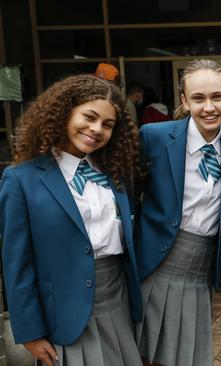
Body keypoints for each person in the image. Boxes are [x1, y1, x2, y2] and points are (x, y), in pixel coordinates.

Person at [0, 74, 142, 366]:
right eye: (89, 117)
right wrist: (30, 332)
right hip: (63, 312)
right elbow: (16, 264)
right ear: (65, 112)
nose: (96, 129)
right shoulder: (21, 179)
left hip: (118, 301)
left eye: (107, 124)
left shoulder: (115, 174)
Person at [135, 59, 221, 366]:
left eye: (217, 97)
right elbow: (126, 197)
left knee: (187, 355)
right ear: (183, 100)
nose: (209, 107)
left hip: (199, 270)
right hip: (154, 265)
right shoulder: (154, 137)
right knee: (146, 353)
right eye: (198, 98)